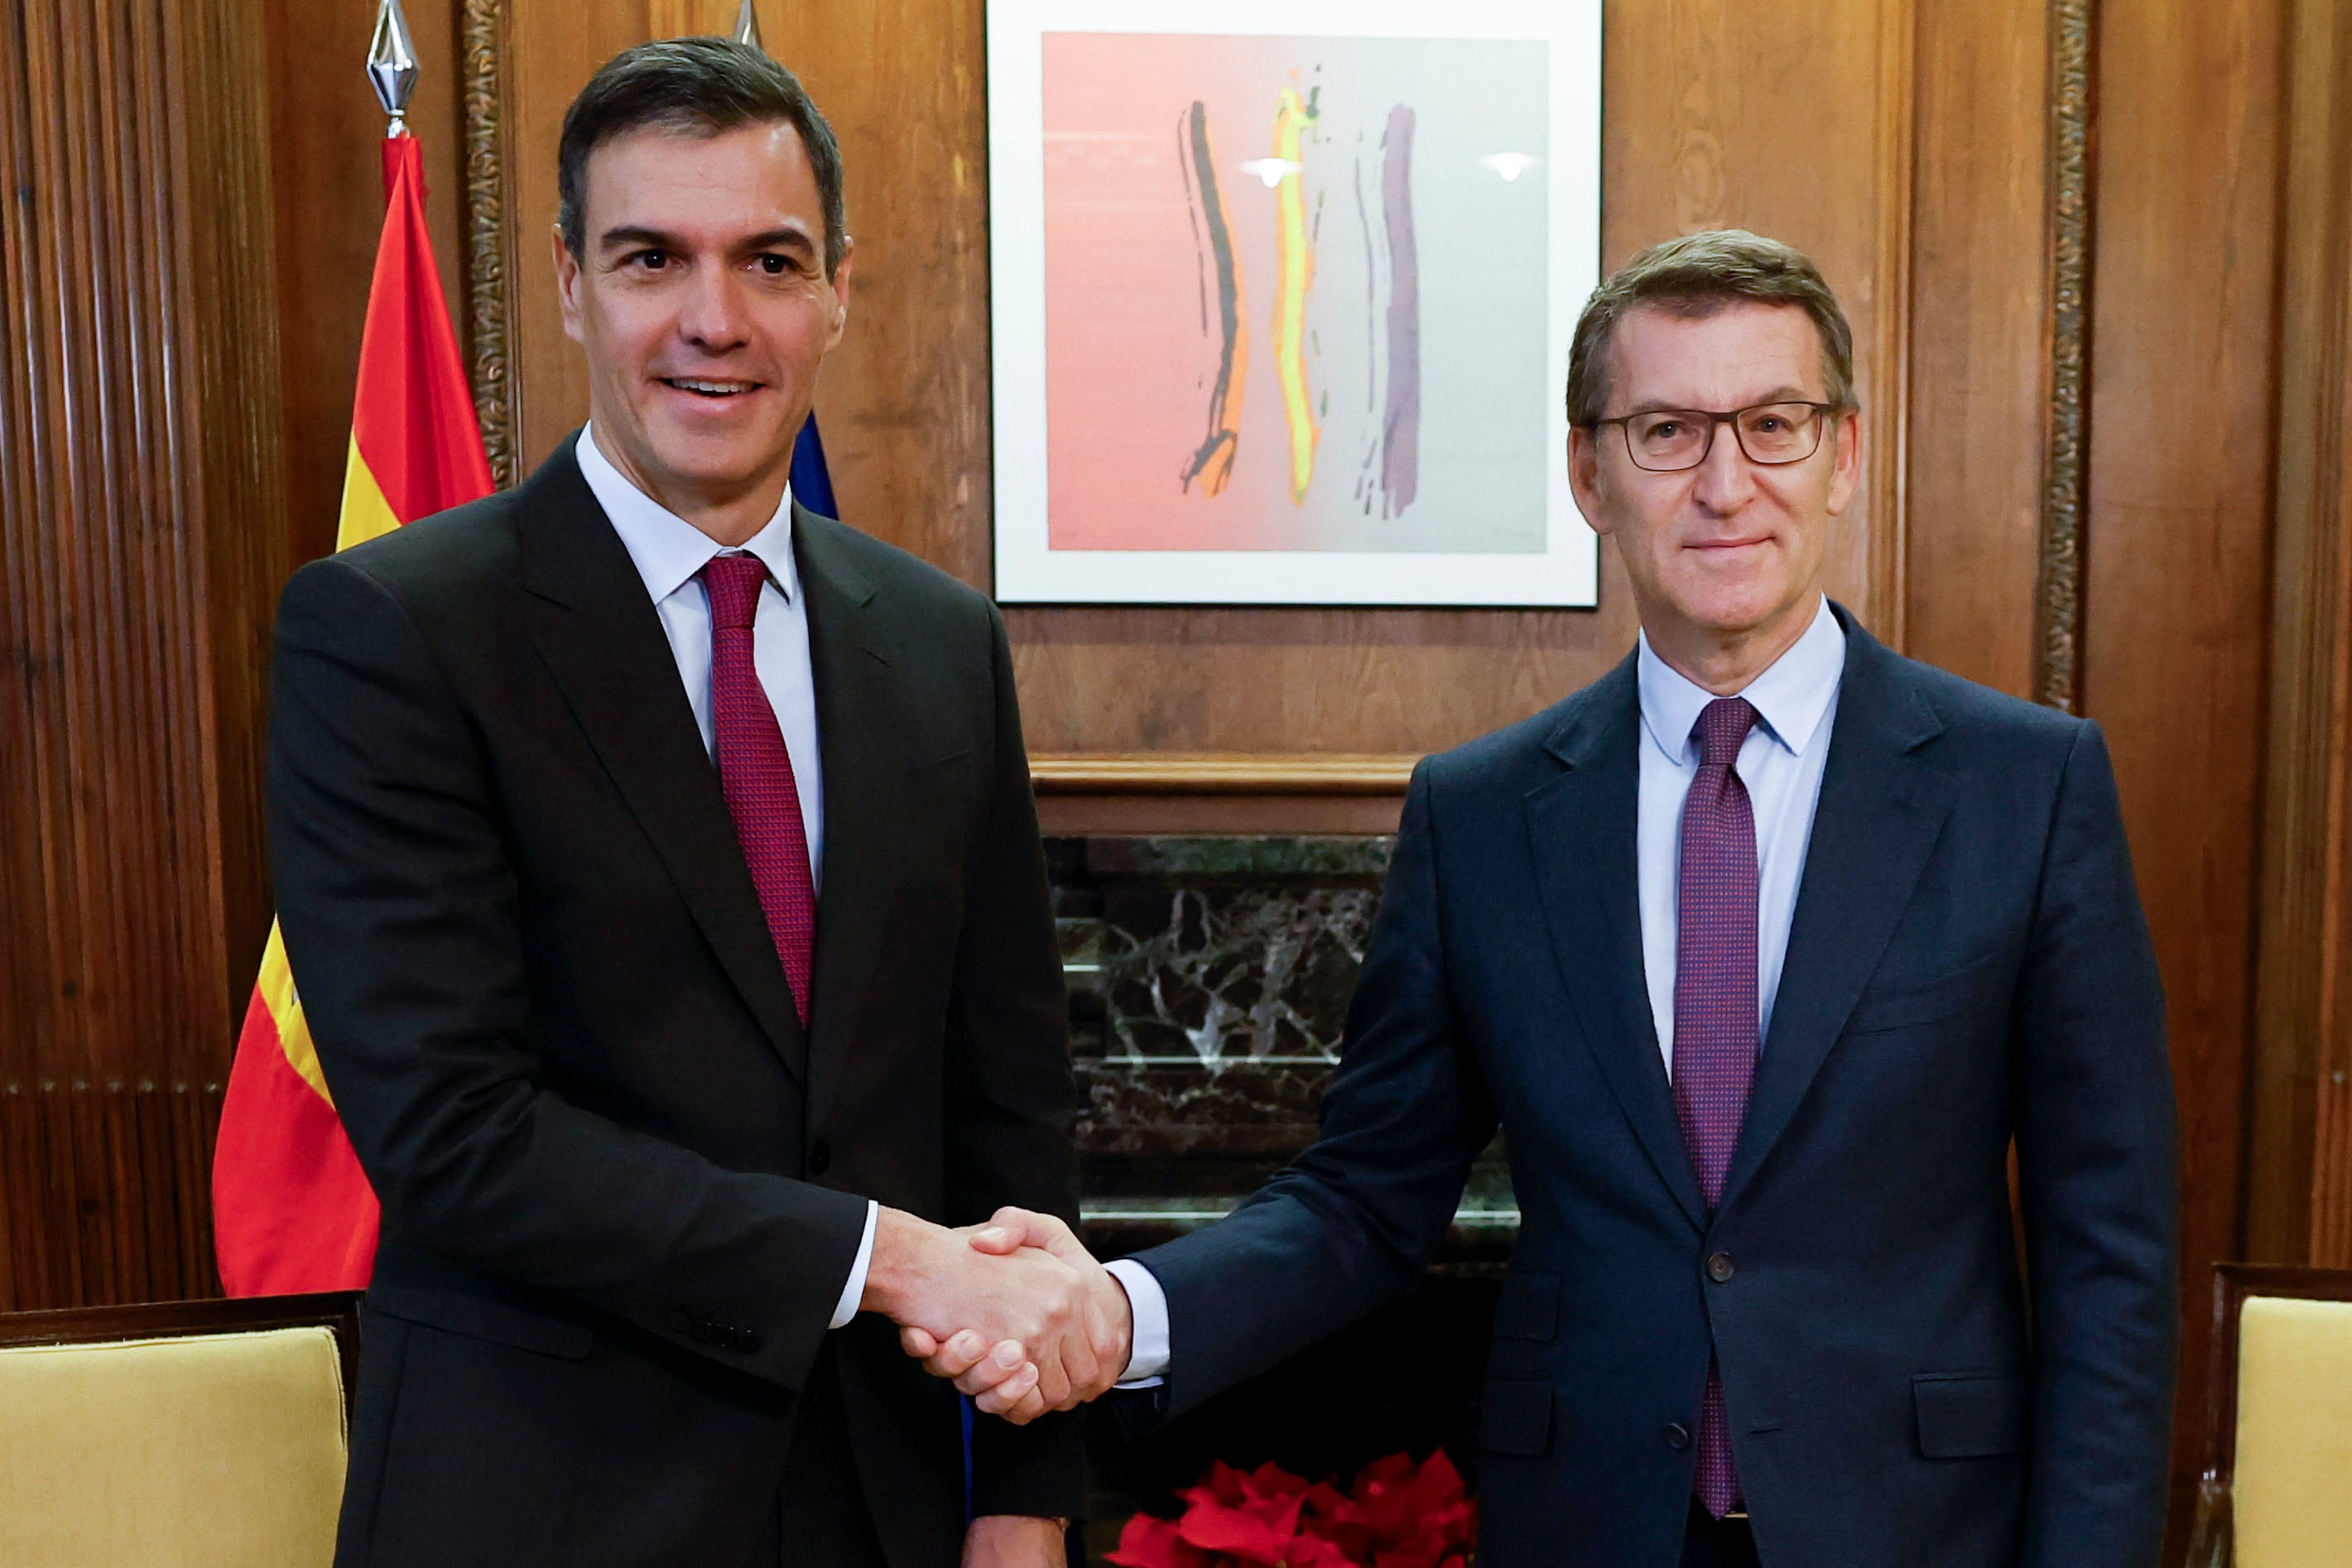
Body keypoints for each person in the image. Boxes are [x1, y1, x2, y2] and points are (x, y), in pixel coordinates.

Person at [925, 230, 2180, 1567]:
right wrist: (1125, 1314)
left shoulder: (2024, 787)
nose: (1723, 484)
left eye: (1771, 424)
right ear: (1590, 471)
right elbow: (1364, 1199)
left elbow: (2110, 1250)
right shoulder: (1481, 814)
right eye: (1664, 431)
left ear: (1843, 457)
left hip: (1922, 1531)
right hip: (1590, 1526)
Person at [267, 37, 1123, 1568]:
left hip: (890, 1505)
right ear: (571, 281)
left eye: (768, 260)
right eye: (653, 256)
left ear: (837, 291)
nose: (713, 321)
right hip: (543, 1507)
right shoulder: (395, 630)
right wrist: (886, 1260)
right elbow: (453, 1134)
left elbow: (1008, 1114)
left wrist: (1023, 1497)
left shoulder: (937, 640)